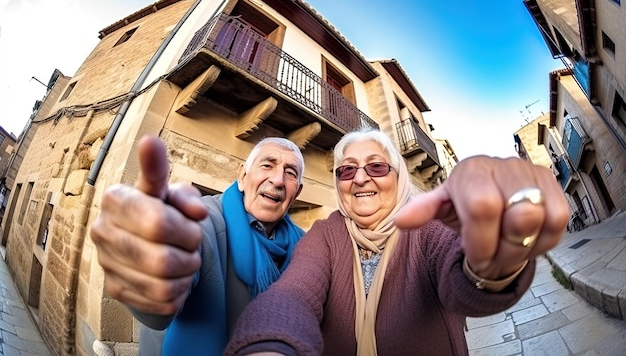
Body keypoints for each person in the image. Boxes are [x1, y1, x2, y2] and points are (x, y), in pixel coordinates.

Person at [224, 128, 569, 356]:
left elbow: (462, 283)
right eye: (346, 170)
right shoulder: (325, 235)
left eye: (376, 167)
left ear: (399, 175)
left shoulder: (427, 225)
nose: (360, 178)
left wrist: (494, 257)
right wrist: (268, 346)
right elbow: (294, 292)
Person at [89, 134, 306, 356]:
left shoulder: (305, 245)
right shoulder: (202, 220)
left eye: (290, 173)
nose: (278, 180)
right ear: (242, 176)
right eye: (267, 165)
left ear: (296, 192)